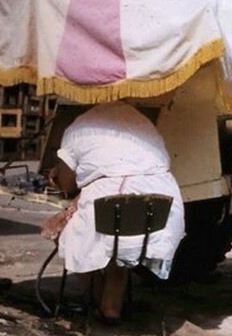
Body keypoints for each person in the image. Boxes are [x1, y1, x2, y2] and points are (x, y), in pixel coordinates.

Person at [48, 101, 185, 323]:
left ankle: (98, 299)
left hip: (112, 202)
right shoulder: (143, 121)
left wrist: (56, 175)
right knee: (119, 236)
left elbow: (67, 183)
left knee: (63, 233)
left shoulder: (78, 127)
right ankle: (111, 305)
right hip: (163, 207)